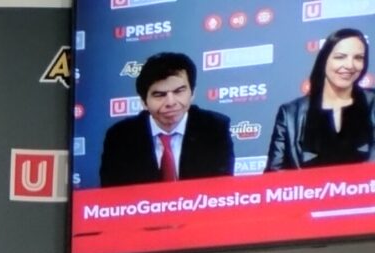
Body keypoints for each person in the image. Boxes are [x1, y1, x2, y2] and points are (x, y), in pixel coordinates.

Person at [99, 52, 235, 186]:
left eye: (179, 91)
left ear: (192, 93)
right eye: (159, 95)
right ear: (143, 101)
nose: (171, 102)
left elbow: (220, 191)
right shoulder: (119, 137)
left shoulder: (214, 128)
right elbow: (114, 196)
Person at [267, 29, 372, 171]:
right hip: (306, 192)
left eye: (358, 58)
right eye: (340, 57)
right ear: (324, 59)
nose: (350, 65)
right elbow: (274, 177)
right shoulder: (291, 114)